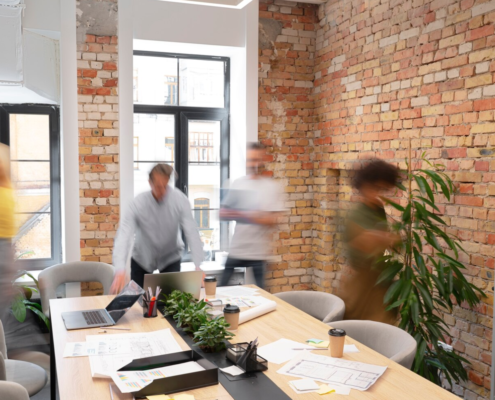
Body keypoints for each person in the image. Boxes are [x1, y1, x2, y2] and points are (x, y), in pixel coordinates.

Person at [110, 164, 203, 293]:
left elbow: (192, 232)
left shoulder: (180, 200)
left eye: (165, 186)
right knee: (139, 305)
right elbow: (124, 235)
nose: (163, 191)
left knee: (171, 304)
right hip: (142, 258)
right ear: (150, 183)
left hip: (170, 257)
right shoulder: (138, 203)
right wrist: (120, 268)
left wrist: (198, 264)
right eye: (158, 187)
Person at [339, 160, 401, 325]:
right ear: (364, 186)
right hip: (364, 285)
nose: (380, 194)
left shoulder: (379, 209)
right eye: (376, 188)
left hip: (383, 282)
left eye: (384, 189)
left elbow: (386, 245)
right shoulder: (355, 215)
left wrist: (389, 258)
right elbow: (367, 243)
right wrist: (388, 239)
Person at [219, 143, 284, 288]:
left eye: (256, 159)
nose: (253, 163)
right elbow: (223, 213)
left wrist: (255, 216)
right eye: (250, 159)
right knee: (221, 290)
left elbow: (275, 220)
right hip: (236, 249)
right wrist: (239, 213)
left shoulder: (271, 187)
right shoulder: (238, 183)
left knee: (263, 296)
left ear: (262, 160)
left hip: (258, 253)